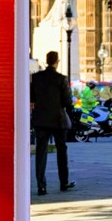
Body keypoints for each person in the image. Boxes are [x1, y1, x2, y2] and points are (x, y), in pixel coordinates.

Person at [30, 51, 75, 195]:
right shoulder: (61, 79)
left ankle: (41, 186)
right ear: (57, 61)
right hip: (58, 120)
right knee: (61, 151)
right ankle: (64, 182)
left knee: (41, 153)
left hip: (41, 119)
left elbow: (32, 97)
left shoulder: (36, 78)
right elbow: (68, 101)